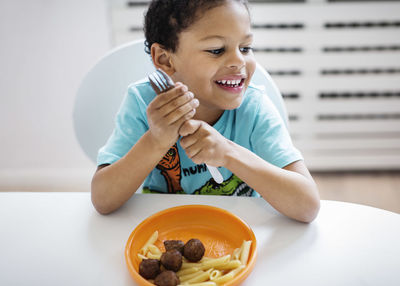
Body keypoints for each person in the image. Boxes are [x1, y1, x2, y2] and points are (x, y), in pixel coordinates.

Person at [91, 0, 320, 222]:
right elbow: (103, 200)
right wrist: (156, 141)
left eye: (245, 48)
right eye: (217, 50)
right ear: (165, 59)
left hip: (239, 231)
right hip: (166, 232)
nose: (239, 61)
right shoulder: (143, 104)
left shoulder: (254, 108)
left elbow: (307, 205)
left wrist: (228, 153)